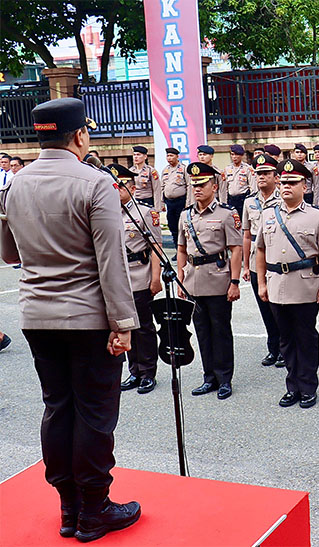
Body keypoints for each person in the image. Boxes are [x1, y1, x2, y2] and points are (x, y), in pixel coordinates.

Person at [0, 97, 141, 541]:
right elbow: (111, 263)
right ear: (80, 135)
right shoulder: (94, 182)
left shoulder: (15, 184)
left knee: (58, 408)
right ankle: (95, 509)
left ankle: (69, 508)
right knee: (95, 413)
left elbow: (8, 253)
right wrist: (123, 323)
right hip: (88, 317)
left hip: (37, 315)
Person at [256, 159, 319, 408]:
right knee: (286, 340)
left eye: (292, 182)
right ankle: (292, 386)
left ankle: (308, 385)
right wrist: (261, 284)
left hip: (305, 286)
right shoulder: (268, 215)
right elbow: (260, 251)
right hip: (276, 285)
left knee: (305, 337)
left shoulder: (318, 217)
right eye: (283, 182)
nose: (286, 186)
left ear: (304, 185)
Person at [177, 162, 242, 400]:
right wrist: (180, 277)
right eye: (194, 185)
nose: (197, 189)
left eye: (202, 184)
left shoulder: (226, 214)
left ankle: (225, 378)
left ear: (214, 186)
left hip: (218, 279)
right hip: (193, 280)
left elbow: (236, 249)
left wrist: (234, 282)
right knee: (202, 331)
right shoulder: (185, 215)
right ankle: (209, 377)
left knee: (220, 330)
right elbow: (181, 249)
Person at [111, 164, 163, 395]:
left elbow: (156, 246)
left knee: (143, 327)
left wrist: (155, 278)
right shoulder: (107, 212)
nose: (116, 190)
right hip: (118, 277)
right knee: (125, 325)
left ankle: (148, 372)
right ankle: (134, 371)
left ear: (131, 187)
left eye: (120, 186)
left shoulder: (144, 212)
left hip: (139, 274)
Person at [242, 154, 285, 367]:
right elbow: (247, 234)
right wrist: (244, 265)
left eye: (266, 173)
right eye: (258, 173)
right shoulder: (249, 202)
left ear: (276, 177)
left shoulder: (283, 199)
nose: (261, 177)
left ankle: (285, 349)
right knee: (264, 308)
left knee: (280, 309)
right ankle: (273, 347)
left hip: (276, 261)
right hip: (254, 263)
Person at [162, 147, 189, 252]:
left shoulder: (183, 169)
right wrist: (161, 203)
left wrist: (188, 202)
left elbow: (189, 186)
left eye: (171, 155)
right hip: (169, 202)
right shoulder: (165, 170)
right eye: (168, 156)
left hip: (181, 201)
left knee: (182, 227)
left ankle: (185, 250)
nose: (169, 158)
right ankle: (177, 250)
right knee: (172, 226)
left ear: (177, 157)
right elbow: (162, 187)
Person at [224, 144, 256, 216]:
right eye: (232, 154)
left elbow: (252, 186)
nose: (234, 157)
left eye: (237, 155)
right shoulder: (227, 169)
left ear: (241, 155)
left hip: (243, 198)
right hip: (231, 199)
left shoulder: (247, 168)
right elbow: (225, 187)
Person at [130, 146, 162, 211]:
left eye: (138, 155)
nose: (136, 157)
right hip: (134, 201)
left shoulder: (151, 171)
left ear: (145, 157)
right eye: (134, 155)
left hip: (147, 201)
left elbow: (157, 190)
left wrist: (157, 208)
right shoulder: (130, 171)